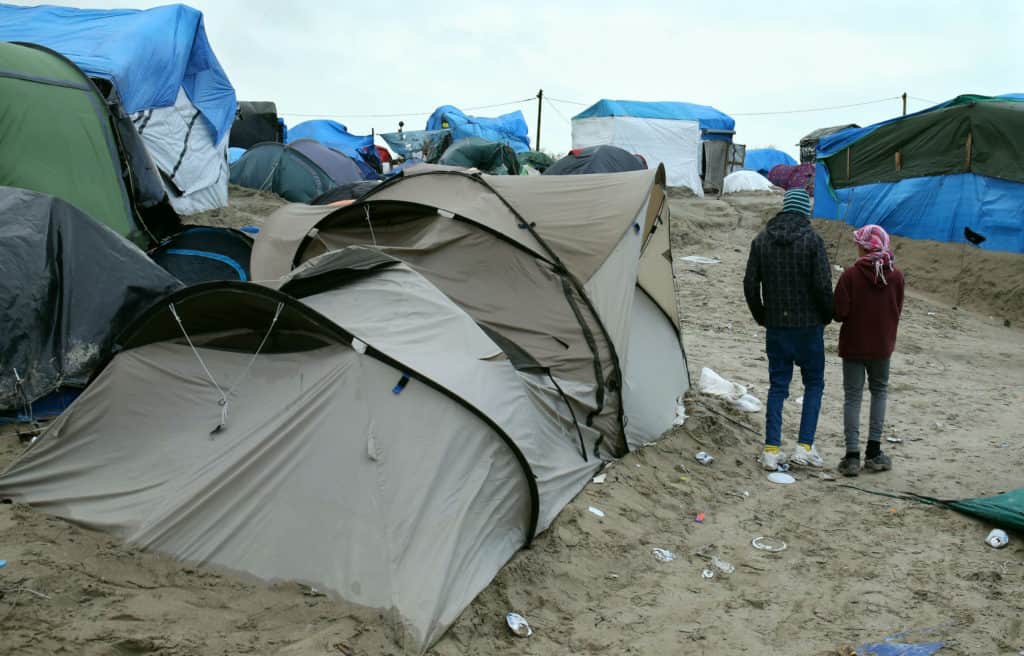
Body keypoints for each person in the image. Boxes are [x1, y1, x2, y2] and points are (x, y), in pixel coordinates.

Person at [743, 188, 834, 470]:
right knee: (814, 384)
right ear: (805, 211)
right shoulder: (812, 241)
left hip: (777, 327)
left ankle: (771, 449)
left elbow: (749, 284)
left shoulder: (761, 241)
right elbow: (822, 285)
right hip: (808, 326)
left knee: (778, 387)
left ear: (783, 208)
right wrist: (827, 315)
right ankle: (805, 446)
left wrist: (762, 315)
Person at [833, 224, 904, 476]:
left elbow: (839, 313)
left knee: (853, 397)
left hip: (854, 345)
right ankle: (874, 452)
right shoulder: (896, 276)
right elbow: (897, 308)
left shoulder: (850, 276)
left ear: (864, 247)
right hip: (882, 345)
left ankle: (852, 456)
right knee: (879, 392)